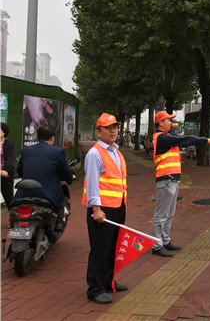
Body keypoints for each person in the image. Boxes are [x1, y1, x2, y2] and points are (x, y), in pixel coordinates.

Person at [151, 111, 210, 257]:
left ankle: (165, 240)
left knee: (169, 213)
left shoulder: (166, 137)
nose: (171, 123)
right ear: (161, 123)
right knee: (161, 214)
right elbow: (186, 139)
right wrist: (206, 140)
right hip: (166, 179)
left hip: (172, 179)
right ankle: (157, 245)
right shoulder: (162, 137)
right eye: (168, 120)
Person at [83, 113, 127, 304]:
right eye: (108, 128)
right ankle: (94, 288)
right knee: (100, 248)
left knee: (112, 247)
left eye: (115, 127)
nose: (113, 131)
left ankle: (108, 281)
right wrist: (96, 209)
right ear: (98, 131)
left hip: (118, 206)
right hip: (102, 209)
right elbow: (92, 183)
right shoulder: (94, 154)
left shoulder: (116, 152)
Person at [15, 126, 74, 230]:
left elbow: (20, 171)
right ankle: (59, 224)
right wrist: (70, 178)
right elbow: (66, 170)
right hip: (48, 195)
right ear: (52, 138)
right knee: (61, 203)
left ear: (37, 137)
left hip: (24, 194)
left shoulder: (25, 150)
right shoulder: (57, 152)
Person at [1, 123, 16, 208]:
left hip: (5, 176)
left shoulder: (10, 144)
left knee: (9, 200)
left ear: (4, 132)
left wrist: (5, 170)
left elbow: (11, 158)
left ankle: (13, 214)